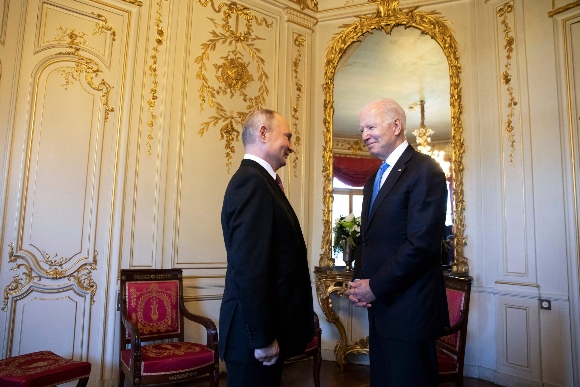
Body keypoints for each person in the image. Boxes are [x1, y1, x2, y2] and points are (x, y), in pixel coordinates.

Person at [345, 98, 449, 386]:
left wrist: (374, 287)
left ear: (396, 125)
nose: (364, 135)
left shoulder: (426, 170)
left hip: (410, 311)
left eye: (370, 126)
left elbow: (421, 246)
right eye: (361, 128)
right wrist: (360, 284)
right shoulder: (372, 180)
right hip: (382, 309)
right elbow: (370, 241)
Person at [219, 109, 314, 387]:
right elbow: (249, 269)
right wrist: (262, 338)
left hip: (258, 337)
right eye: (287, 136)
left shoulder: (261, 182)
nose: (292, 146)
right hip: (252, 342)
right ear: (263, 133)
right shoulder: (252, 183)